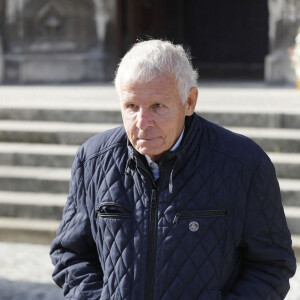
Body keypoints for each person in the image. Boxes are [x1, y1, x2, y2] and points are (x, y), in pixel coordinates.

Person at [50, 39, 296, 300]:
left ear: (189, 101)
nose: (142, 122)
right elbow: (71, 254)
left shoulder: (245, 163)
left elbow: (272, 264)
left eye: (158, 106)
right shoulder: (92, 160)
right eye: (131, 107)